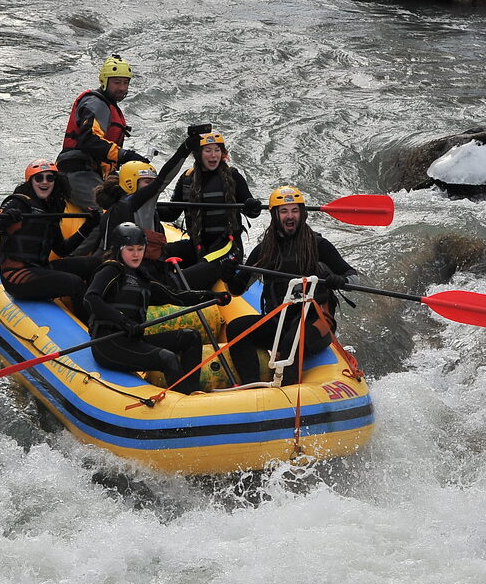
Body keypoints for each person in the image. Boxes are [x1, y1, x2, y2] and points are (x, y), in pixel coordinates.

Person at [225, 184, 356, 386]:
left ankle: (288, 390)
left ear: (302, 214)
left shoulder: (319, 246)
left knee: (290, 342)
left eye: (295, 211)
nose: (290, 216)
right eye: (284, 211)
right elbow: (237, 289)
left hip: (315, 323)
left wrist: (342, 280)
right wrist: (227, 273)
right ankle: (250, 384)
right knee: (236, 328)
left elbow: (354, 276)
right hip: (279, 322)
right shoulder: (263, 251)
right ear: (275, 215)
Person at [85, 223, 228, 394]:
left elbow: (177, 296)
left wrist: (212, 297)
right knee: (168, 359)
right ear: (119, 249)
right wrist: (123, 321)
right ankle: (183, 401)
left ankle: (192, 391)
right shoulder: (111, 270)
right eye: (130, 249)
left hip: (133, 340)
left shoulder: (142, 278)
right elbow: (91, 298)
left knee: (190, 337)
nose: (136, 254)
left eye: (140, 249)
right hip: (109, 344)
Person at [0, 159, 102, 308]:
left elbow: (62, 250)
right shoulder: (17, 203)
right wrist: (2, 222)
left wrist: (88, 226)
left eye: (50, 178)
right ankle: (91, 326)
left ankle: (98, 308)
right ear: (30, 181)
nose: (44, 182)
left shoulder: (51, 209)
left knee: (96, 264)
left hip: (41, 268)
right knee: (75, 283)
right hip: (16, 276)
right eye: (39, 178)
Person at [168, 126, 261, 290]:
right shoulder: (187, 179)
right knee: (158, 254)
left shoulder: (233, 177)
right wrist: (145, 201)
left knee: (179, 281)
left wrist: (252, 206)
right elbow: (170, 213)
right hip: (197, 245)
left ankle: (171, 287)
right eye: (208, 150)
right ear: (198, 154)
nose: (213, 155)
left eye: (217, 150)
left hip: (227, 249)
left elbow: (252, 211)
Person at [57, 56, 146, 210]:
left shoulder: (107, 105)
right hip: (78, 171)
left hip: (94, 172)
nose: (122, 88)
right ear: (105, 81)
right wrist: (123, 155)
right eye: (117, 82)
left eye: (126, 83)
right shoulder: (96, 103)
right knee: (106, 216)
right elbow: (89, 139)